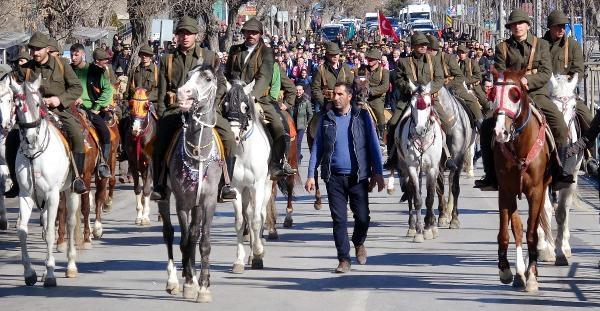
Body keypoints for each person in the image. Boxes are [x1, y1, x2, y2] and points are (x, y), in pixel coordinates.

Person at [475, 9, 575, 191]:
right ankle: (490, 176)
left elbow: (545, 73)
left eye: (520, 23)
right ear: (510, 27)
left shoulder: (542, 45)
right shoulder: (502, 48)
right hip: (510, 97)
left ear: (528, 25)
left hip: (536, 94)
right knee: (487, 125)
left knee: (560, 125)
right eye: (513, 24)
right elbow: (498, 73)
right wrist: (510, 82)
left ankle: (559, 171)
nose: (517, 27)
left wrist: (526, 80)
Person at [305, 82, 384, 273]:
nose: (335, 97)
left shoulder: (362, 117)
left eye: (340, 94)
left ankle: (358, 242)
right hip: (333, 177)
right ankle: (343, 259)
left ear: (349, 96)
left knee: (363, 217)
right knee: (339, 220)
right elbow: (317, 148)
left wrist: (378, 172)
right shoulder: (325, 118)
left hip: (358, 176)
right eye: (334, 94)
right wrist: (310, 175)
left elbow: (373, 145)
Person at [151, 16, 230, 201]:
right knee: (159, 142)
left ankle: (226, 183)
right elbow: (162, 90)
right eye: (181, 33)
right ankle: (160, 184)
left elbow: (221, 85)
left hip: (204, 113)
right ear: (176, 36)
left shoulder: (209, 57)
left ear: (196, 35)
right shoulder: (167, 59)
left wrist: (213, 106)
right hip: (176, 111)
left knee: (229, 139)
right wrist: (163, 115)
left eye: (189, 33)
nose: (185, 37)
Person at [7, 32, 86, 196]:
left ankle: (77, 178)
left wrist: (60, 99)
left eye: (38, 49)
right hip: (32, 112)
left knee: (76, 134)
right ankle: (16, 182)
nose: (35, 52)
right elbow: (8, 84)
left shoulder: (62, 64)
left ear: (47, 49)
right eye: (32, 49)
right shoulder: (25, 69)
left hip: (58, 109)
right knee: (12, 138)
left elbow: (76, 88)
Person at [225, 18, 296, 179]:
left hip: (259, 98)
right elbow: (227, 73)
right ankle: (219, 168)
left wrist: (252, 96)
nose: (250, 35)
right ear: (243, 33)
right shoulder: (234, 50)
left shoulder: (266, 51)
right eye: (248, 31)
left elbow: (264, 77)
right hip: (234, 98)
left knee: (280, 126)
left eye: (254, 32)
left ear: (260, 34)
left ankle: (278, 163)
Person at [386, 32, 444, 169]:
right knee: (393, 124)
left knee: (446, 122)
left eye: (425, 44)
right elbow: (398, 80)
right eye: (420, 45)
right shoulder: (403, 62)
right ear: (413, 46)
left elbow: (439, 79)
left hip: (429, 99)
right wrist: (410, 89)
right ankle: (392, 157)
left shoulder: (433, 60)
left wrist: (428, 90)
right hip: (409, 100)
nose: (424, 47)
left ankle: (447, 156)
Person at [543, 11, 593, 160]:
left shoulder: (573, 45)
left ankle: (589, 156)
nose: (561, 29)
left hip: (566, 91)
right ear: (550, 27)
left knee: (588, 119)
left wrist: (567, 82)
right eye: (558, 26)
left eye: (563, 26)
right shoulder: (540, 44)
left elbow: (579, 70)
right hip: (544, 92)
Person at [70, 44, 113, 179]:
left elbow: (108, 90)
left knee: (105, 132)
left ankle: (103, 163)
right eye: (71, 54)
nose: (73, 57)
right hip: (67, 109)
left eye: (76, 54)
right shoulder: (67, 69)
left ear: (83, 55)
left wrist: (96, 108)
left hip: (88, 109)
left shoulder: (95, 70)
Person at [311, 41, 354, 112]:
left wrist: (348, 99)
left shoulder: (345, 67)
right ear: (327, 55)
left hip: (344, 102)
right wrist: (324, 103)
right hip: (328, 103)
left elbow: (350, 84)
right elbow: (315, 89)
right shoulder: (320, 69)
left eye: (337, 54)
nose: (335, 56)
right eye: (332, 54)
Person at [363, 48, 390, 144]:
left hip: (377, 98)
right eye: (368, 58)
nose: (369, 60)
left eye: (372, 59)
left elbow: (385, 87)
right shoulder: (362, 69)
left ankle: (382, 135)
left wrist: (371, 91)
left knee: (379, 113)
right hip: (362, 97)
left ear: (377, 60)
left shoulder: (384, 72)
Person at [457, 44, 490, 114]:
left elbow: (478, 76)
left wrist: (465, 81)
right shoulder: (457, 63)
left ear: (466, 53)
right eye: (459, 53)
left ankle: (486, 117)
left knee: (484, 102)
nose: (460, 55)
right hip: (461, 88)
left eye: (462, 53)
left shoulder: (472, 62)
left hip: (473, 87)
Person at [292, 84, 312, 164]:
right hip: (293, 124)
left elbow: (310, 114)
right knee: (293, 142)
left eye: (300, 90)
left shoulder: (306, 101)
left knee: (298, 142)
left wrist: (306, 123)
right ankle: (298, 155)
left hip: (301, 125)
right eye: (297, 90)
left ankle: (297, 159)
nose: (298, 91)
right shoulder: (292, 100)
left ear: (303, 91)